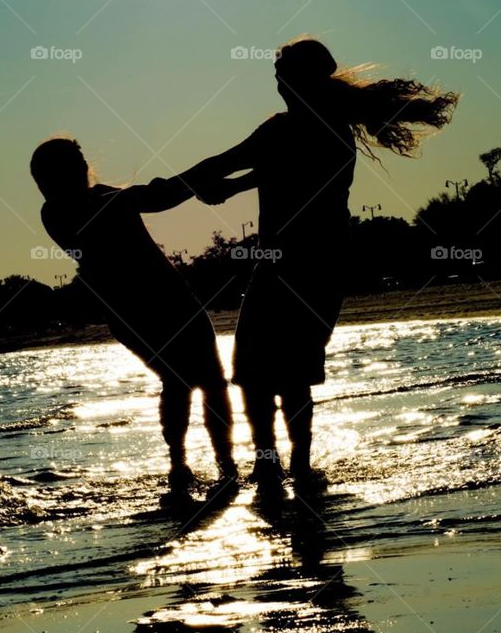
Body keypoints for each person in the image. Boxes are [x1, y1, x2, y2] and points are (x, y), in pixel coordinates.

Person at [174, 36, 459, 490]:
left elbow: (247, 166)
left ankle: (279, 466)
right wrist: (211, 184)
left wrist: (183, 187)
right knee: (280, 370)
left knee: (261, 371)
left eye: (282, 72)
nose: (277, 80)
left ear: (299, 79)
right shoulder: (315, 131)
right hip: (317, 263)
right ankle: (289, 466)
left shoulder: (295, 132)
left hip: (301, 263)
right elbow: (246, 166)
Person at [30, 135, 236, 493]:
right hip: (142, 311)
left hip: (161, 304)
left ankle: (207, 467)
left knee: (195, 382)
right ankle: (195, 466)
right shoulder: (66, 211)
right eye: (70, 167)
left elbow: (154, 195)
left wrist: (211, 175)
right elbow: (158, 196)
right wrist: (219, 167)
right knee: (189, 381)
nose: (80, 171)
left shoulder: (89, 201)